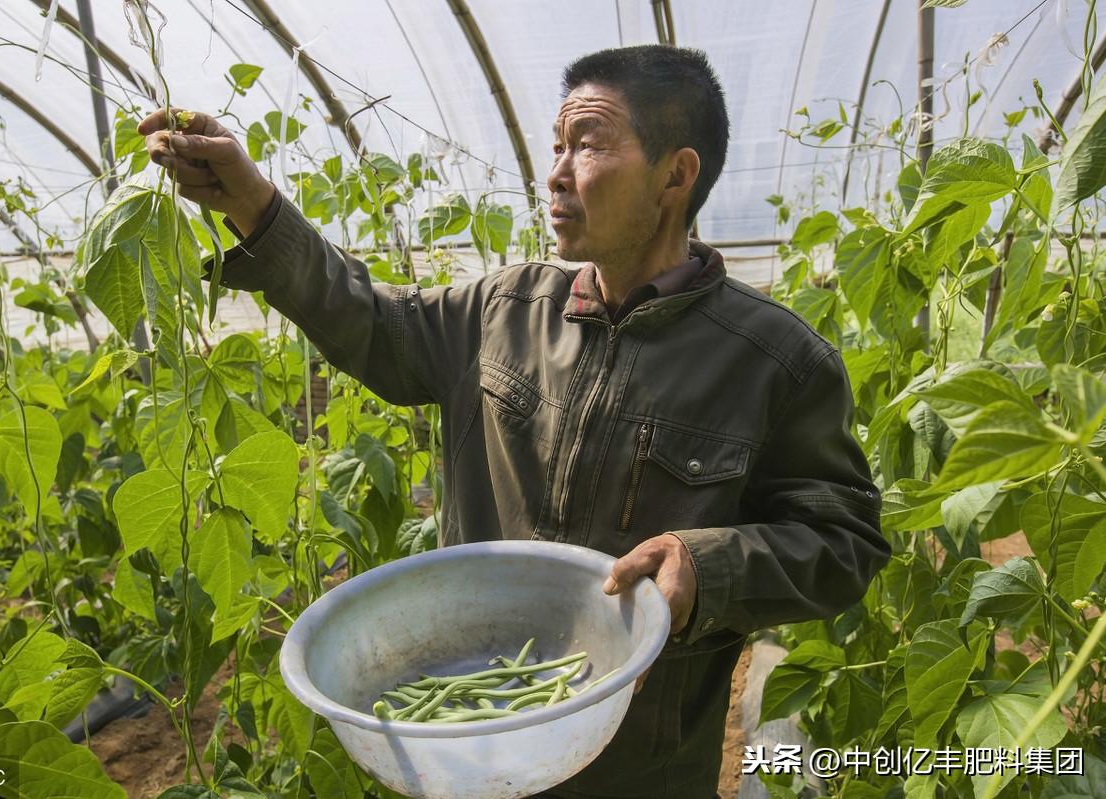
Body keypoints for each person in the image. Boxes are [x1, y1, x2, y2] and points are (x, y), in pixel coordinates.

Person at [141, 44, 890, 799]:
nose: (557, 172)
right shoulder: (503, 310)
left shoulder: (776, 362)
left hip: (639, 771)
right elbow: (371, 321)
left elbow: (844, 541)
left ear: (676, 174)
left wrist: (708, 564)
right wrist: (254, 206)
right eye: (556, 146)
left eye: (589, 145)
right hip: (470, 753)